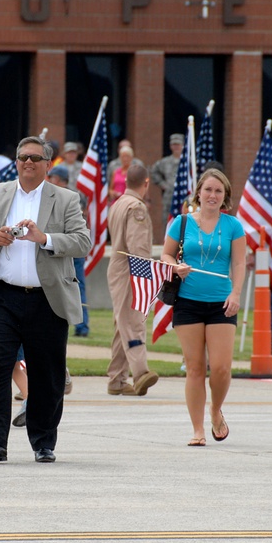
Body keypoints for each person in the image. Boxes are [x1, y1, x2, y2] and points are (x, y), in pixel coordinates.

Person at [0, 136, 90, 464]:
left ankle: (43, 443)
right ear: (15, 163)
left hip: (48, 298)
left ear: (48, 164)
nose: (28, 162)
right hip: (2, 296)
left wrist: (43, 238)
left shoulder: (66, 199)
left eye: (35, 157)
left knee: (48, 373)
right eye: (22, 157)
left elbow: (82, 242)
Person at [162, 168, 245, 446]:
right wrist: (176, 266)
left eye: (218, 191)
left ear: (225, 197)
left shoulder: (233, 226)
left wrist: (235, 293)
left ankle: (215, 409)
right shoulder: (182, 222)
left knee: (221, 368)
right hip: (187, 303)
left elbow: (239, 263)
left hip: (221, 303)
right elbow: (166, 253)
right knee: (196, 368)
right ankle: (197, 430)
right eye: (208, 190)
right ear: (199, 192)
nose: (212, 195)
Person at [107, 163, 159, 397]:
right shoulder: (137, 208)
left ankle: (117, 379)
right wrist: (145, 277)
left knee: (123, 322)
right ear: (146, 183)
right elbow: (137, 247)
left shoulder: (117, 204)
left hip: (117, 265)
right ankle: (140, 373)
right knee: (133, 321)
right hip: (131, 268)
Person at [47, 164, 90, 336]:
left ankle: (81, 325)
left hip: (67, 248)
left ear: (56, 180)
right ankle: (81, 325)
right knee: (77, 286)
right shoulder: (76, 196)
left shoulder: (68, 197)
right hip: (66, 247)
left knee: (74, 286)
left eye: (51, 178)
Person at [150, 134, 185, 227]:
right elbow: (153, 171)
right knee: (168, 222)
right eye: (174, 145)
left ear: (183, 145)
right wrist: (163, 184)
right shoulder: (165, 162)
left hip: (185, 197)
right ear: (170, 146)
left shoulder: (187, 161)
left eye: (178, 144)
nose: (176, 147)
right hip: (169, 196)